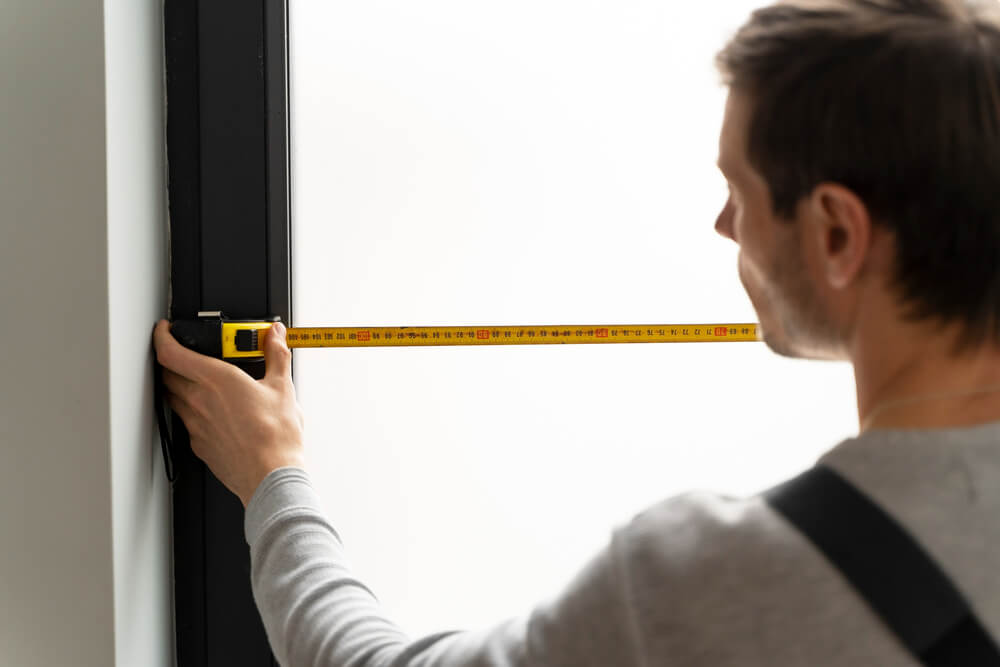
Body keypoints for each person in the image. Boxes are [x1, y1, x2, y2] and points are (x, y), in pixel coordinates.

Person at [153, 0, 1000, 664]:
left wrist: (274, 477)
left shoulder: (715, 580)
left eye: (739, 192)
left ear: (837, 234)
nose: (723, 225)